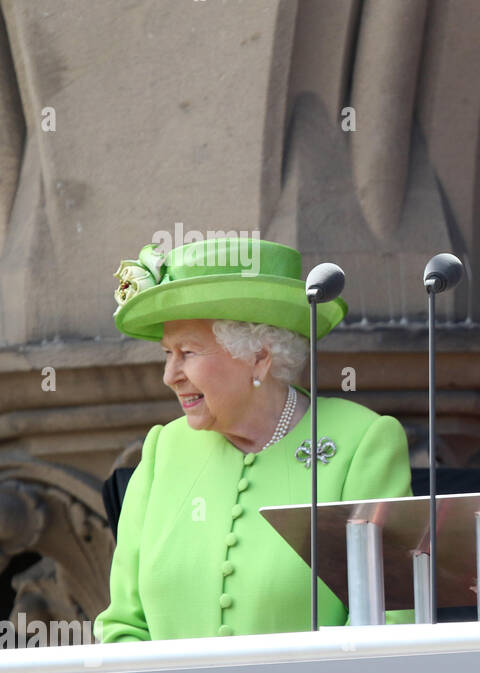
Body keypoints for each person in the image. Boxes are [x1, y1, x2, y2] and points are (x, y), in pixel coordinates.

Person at [96, 237, 413, 641]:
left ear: (259, 356)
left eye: (188, 352)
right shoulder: (162, 450)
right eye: (167, 353)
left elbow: (386, 619)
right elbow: (123, 625)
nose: (170, 375)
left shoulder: (360, 443)